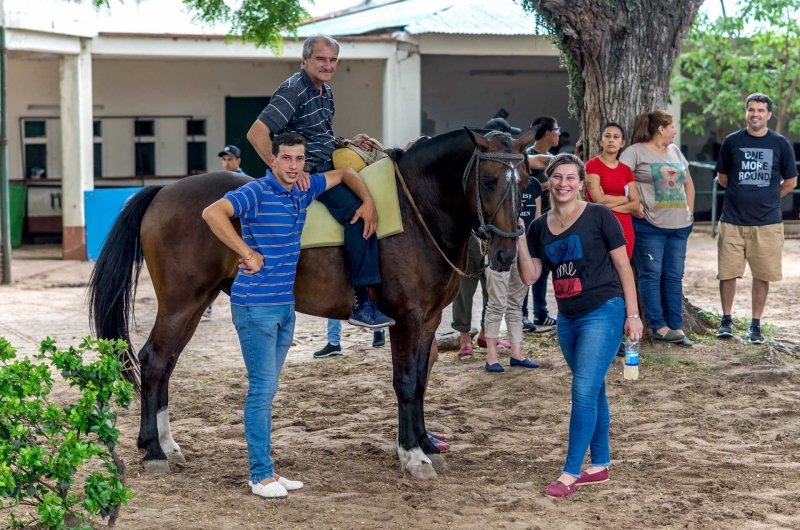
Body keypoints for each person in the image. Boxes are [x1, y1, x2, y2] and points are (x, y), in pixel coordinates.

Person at [201, 132, 378, 499]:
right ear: (273, 160)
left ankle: (268, 470)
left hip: (285, 307)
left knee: (268, 390)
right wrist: (246, 252)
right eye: (286, 158)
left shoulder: (303, 187)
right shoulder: (256, 192)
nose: (293, 166)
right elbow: (212, 213)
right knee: (261, 391)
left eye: (299, 159)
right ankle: (259, 476)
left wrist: (368, 201)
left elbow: (345, 174)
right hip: (255, 307)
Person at [247, 34, 394, 335]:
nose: (327, 65)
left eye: (332, 60)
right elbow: (257, 133)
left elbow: (320, 137)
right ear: (305, 60)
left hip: (328, 163)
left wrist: (346, 142)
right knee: (359, 214)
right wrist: (285, 171)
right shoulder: (293, 90)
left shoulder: (325, 92)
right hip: (313, 174)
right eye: (320, 59)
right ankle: (362, 305)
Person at [516, 153, 643, 498]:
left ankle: (570, 471)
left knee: (583, 392)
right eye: (557, 177)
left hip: (605, 310)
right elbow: (530, 276)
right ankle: (600, 464)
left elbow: (624, 266)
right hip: (567, 319)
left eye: (571, 178)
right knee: (594, 388)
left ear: (581, 183)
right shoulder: (539, 227)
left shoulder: (599, 215)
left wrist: (633, 315)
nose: (563, 184)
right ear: (549, 182)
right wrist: (518, 237)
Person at [714, 93, 797, 343]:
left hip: (767, 223)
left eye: (761, 110)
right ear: (746, 112)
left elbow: (791, 181)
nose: (755, 114)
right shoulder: (731, 141)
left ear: (768, 114)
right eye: (751, 110)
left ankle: (755, 325)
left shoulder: (781, 144)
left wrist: (770, 197)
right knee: (727, 273)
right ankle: (726, 321)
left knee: (762, 274)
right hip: (732, 221)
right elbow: (723, 178)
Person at [619, 110, 695, 347]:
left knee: (674, 277)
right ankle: (659, 327)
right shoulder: (635, 152)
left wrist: (690, 212)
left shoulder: (675, 151)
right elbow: (619, 178)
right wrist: (633, 204)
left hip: (680, 226)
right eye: (672, 126)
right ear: (661, 129)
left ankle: (677, 327)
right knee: (651, 275)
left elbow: (688, 182)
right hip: (649, 226)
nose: (675, 130)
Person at [523, 116, 560, 331]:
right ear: (547, 133)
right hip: (532, 221)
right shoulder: (528, 156)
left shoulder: (551, 157)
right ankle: (522, 315)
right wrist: (547, 186)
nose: (558, 133)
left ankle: (541, 313)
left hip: (549, 219)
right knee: (529, 268)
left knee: (543, 269)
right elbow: (524, 185)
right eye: (556, 129)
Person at [203, 145, 249, 319]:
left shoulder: (246, 182)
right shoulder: (221, 182)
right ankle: (207, 305)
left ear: (238, 161)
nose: (227, 162)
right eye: (224, 159)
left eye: (230, 159)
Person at [584, 122, 640, 259]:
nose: (611, 140)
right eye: (607, 136)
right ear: (600, 142)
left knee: (623, 272)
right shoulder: (592, 165)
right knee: (601, 271)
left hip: (625, 228)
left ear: (622, 143)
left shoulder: (626, 170)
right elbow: (598, 199)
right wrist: (625, 199)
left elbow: (636, 204)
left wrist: (607, 204)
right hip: (599, 226)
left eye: (616, 137)